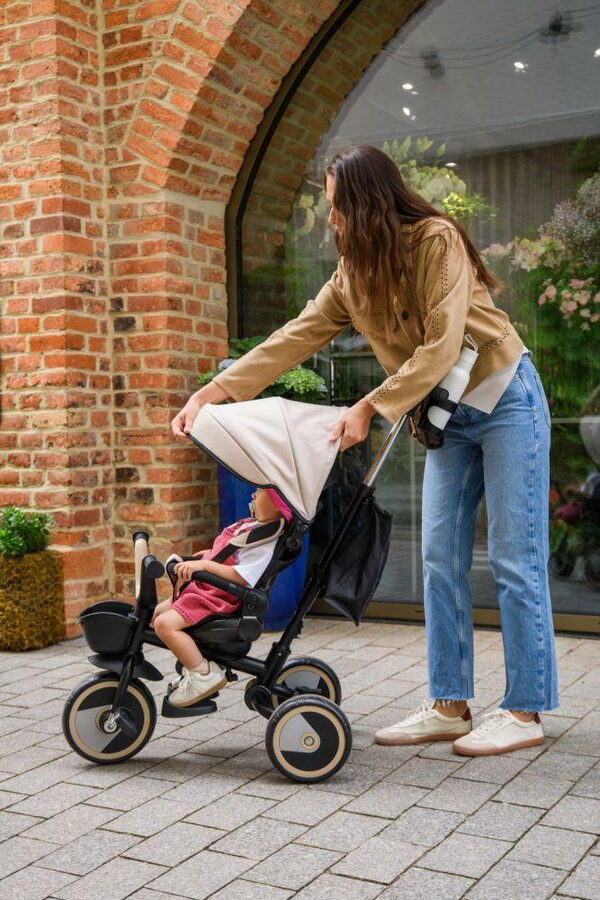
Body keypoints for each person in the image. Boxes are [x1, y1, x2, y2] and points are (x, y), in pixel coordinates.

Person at [172, 144, 558, 754]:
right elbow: (293, 337)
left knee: (514, 560)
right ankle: (450, 704)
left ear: (367, 202)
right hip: (446, 418)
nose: (331, 219)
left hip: (504, 398)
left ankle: (525, 710)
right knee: (438, 560)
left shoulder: (435, 241)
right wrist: (212, 393)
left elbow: (441, 343)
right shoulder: (352, 274)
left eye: (337, 206)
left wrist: (371, 406)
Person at [153, 487, 292, 707]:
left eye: (260, 492)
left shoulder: (265, 541)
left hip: (218, 597)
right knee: (158, 612)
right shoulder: (255, 526)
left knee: (164, 624)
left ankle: (203, 675)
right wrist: (209, 556)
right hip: (207, 589)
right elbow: (233, 553)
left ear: (278, 504)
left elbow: (242, 576)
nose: (253, 495)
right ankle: (197, 662)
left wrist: (206, 565)